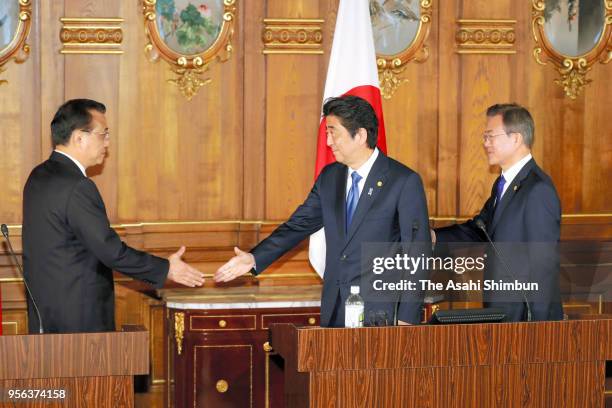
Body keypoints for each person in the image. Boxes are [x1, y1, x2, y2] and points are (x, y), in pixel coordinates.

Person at [214, 95, 430, 327]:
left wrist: (408, 317)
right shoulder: (330, 177)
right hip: (335, 309)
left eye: (333, 132)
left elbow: (418, 253)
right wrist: (255, 258)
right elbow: (298, 225)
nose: (328, 142)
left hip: (381, 315)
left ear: (360, 135)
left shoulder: (402, 181)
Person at [22, 99, 205, 334]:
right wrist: (166, 269)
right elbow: (111, 251)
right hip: (79, 323)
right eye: (103, 134)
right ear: (79, 137)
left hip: (46, 317)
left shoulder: (38, 176)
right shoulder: (77, 186)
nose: (107, 143)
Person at [432, 103, 563, 321]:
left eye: (490, 136)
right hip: (501, 314)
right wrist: (435, 236)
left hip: (526, 320)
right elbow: (480, 229)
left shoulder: (538, 190)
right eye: (485, 137)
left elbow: (544, 266)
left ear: (516, 138)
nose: (485, 144)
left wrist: (540, 330)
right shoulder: (503, 184)